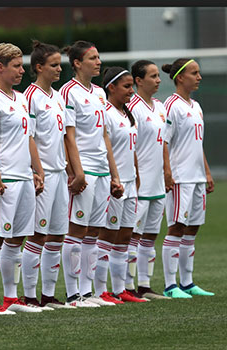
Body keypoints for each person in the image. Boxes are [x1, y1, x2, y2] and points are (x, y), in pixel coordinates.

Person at [0, 42, 44, 315]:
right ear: (0, 67)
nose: (21, 70)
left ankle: (11, 298)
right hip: (4, 179)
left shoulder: (22, 98)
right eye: (16, 66)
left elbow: (29, 138)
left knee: (17, 239)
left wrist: (37, 171)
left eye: (21, 65)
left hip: (24, 177)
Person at [59, 41, 123, 308]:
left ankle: (88, 292)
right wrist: (76, 171)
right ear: (76, 63)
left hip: (102, 170)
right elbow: (68, 136)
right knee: (76, 231)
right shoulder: (68, 92)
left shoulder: (98, 92)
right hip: (83, 170)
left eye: (98, 57)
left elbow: (104, 135)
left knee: (93, 233)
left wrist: (114, 174)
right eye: (92, 58)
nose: (98, 62)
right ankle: (73, 294)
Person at [21, 40, 74, 310]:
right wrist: (36, 170)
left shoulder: (57, 97)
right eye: (53, 65)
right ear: (38, 67)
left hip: (60, 174)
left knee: (57, 234)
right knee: (38, 235)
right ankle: (29, 295)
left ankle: (48, 295)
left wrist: (69, 168)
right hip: (42, 176)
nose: (58, 70)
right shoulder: (30, 96)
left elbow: (62, 137)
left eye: (59, 65)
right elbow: (28, 136)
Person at [161, 59, 215, 298]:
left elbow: (197, 143)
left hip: (197, 178)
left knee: (192, 229)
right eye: (195, 73)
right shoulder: (171, 105)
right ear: (180, 77)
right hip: (180, 177)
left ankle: (187, 282)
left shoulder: (196, 105)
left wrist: (207, 172)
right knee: (176, 227)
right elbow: (163, 141)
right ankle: (171, 286)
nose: (199, 77)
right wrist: (167, 172)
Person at [92, 66, 146, 303]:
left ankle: (120, 288)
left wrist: (136, 174)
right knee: (107, 236)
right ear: (111, 87)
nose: (131, 91)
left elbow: (131, 150)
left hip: (131, 183)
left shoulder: (127, 114)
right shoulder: (106, 113)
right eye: (126, 86)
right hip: (115, 184)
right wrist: (114, 178)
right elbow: (105, 149)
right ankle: (99, 290)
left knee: (125, 236)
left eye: (132, 86)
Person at [126, 60, 170, 300]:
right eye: (152, 76)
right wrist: (136, 175)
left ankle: (145, 285)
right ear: (138, 81)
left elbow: (162, 141)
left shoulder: (160, 107)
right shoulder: (132, 107)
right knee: (133, 234)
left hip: (157, 183)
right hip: (140, 182)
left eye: (158, 76)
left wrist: (167, 170)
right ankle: (128, 286)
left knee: (151, 234)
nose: (158, 80)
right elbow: (130, 145)